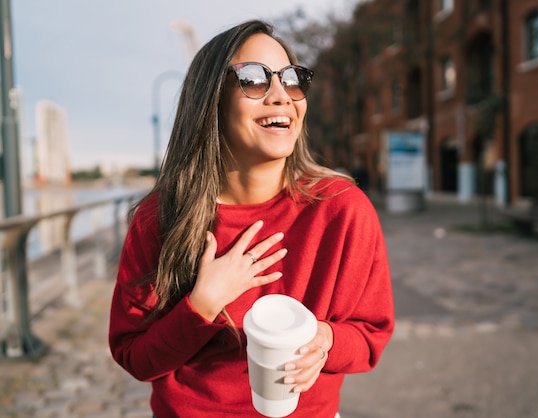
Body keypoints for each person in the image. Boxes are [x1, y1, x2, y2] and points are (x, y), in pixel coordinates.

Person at [108, 19, 394, 418]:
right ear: (211, 99)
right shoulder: (159, 219)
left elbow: (371, 333)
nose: (282, 95)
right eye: (255, 79)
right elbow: (135, 357)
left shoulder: (343, 211)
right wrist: (202, 304)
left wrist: (326, 339)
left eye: (292, 79)